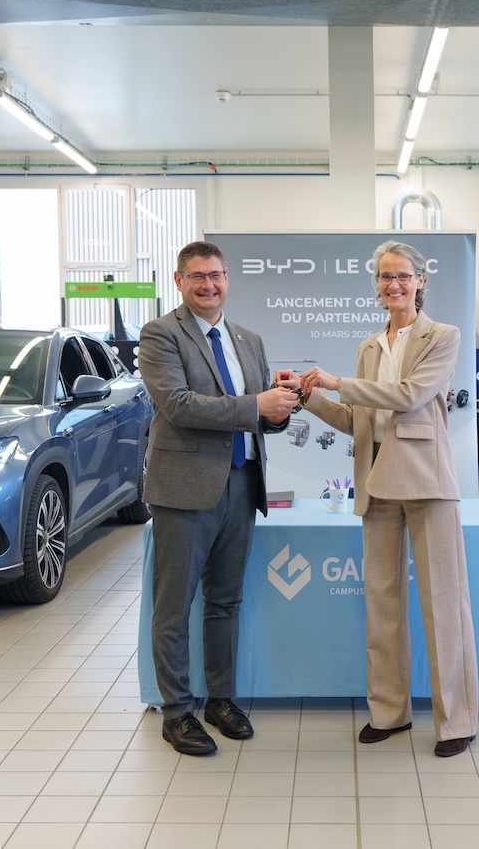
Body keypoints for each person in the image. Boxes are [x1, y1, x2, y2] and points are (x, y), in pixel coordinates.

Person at [278, 240, 478, 756]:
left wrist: (339, 382)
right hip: (377, 480)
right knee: (382, 604)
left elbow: (410, 395)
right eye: (386, 276)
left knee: (444, 606)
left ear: (421, 280)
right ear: (377, 284)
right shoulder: (369, 347)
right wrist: (309, 396)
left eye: (403, 276)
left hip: (427, 481)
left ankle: (457, 721)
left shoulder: (443, 336)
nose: (394, 284)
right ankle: (389, 713)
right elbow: (357, 421)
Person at [140, 240, 301, 755]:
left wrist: (283, 407)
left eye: (216, 275)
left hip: (242, 482)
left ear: (227, 277)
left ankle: (221, 700)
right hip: (185, 488)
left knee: (225, 602)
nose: (208, 285)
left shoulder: (248, 339)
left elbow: (258, 418)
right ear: (179, 281)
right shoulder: (161, 334)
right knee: (174, 606)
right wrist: (257, 403)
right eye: (197, 276)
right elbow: (178, 405)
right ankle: (177, 712)